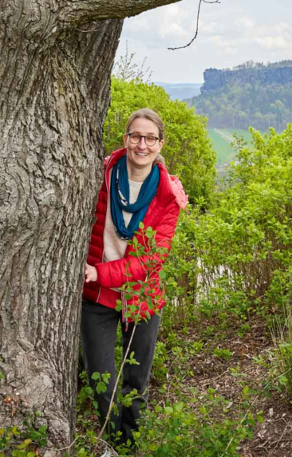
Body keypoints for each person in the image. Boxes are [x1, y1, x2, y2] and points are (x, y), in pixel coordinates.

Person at [81, 108, 188, 450]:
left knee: (135, 383)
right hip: (96, 295)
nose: (142, 144)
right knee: (101, 381)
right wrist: (95, 276)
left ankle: (129, 447)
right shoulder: (98, 173)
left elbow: (151, 259)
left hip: (141, 297)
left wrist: (99, 271)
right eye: (136, 136)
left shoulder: (168, 195)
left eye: (150, 138)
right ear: (125, 139)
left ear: (160, 144)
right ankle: (114, 445)